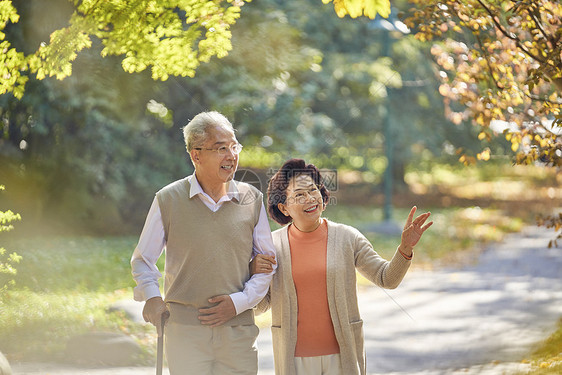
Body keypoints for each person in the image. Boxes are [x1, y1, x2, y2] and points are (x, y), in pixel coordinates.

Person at [251, 158, 432, 375]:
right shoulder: (272, 246)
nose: (310, 198)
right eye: (300, 194)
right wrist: (252, 273)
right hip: (295, 360)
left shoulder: (348, 237)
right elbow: (260, 306)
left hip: (342, 357)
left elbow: (387, 278)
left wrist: (405, 248)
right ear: (284, 207)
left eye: (313, 190)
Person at [130, 111, 277, 374]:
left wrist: (239, 302)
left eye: (234, 147)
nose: (231, 156)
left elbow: (267, 265)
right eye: (221, 148)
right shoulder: (168, 199)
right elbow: (143, 260)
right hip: (184, 331)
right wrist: (152, 297)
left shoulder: (252, 199)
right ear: (195, 154)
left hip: (238, 330)